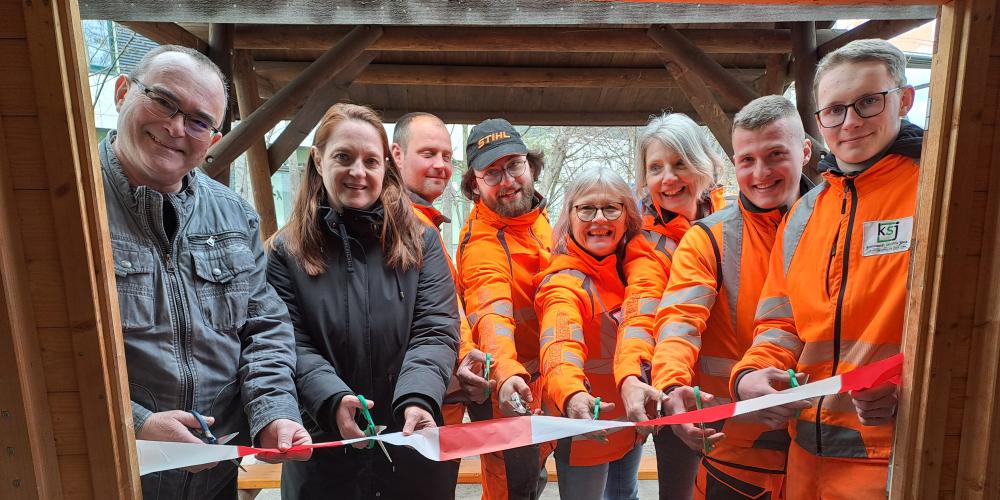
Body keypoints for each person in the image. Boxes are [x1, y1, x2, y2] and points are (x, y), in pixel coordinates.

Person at [101, 45, 309, 499]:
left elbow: (265, 327)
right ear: (122, 93)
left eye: (198, 120)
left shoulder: (235, 215)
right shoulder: (67, 204)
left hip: (214, 479)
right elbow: (37, 349)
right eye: (163, 101)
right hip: (106, 470)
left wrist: (274, 413)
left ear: (212, 139)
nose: (175, 127)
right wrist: (134, 424)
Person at [731, 39, 921, 499]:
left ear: (904, 98)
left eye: (868, 102)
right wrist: (751, 376)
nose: (850, 122)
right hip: (806, 453)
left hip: (900, 454)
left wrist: (908, 389)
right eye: (834, 110)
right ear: (819, 122)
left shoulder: (937, 192)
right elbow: (780, 321)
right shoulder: (805, 213)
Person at [266, 103, 460, 499]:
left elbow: (435, 330)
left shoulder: (420, 242)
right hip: (324, 451)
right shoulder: (285, 251)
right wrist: (332, 399)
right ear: (318, 160)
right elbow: (287, 341)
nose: (358, 172)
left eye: (371, 160)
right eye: (343, 157)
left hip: (411, 447)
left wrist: (419, 397)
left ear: (385, 166)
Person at [652, 96, 815, 499]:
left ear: (806, 151)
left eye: (775, 155)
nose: (760, 173)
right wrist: (673, 388)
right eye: (747, 160)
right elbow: (678, 320)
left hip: (827, 443)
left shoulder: (839, 220)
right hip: (739, 448)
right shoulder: (709, 237)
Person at [613, 112, 726, 500]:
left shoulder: (739, 217)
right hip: (679, 394)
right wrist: (630, 375)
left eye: (680, 163)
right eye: (656, 167)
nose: (668, 178)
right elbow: (639, 311)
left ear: (704, 165)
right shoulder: (646, 242)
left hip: (744, 388)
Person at [536, 167, 665, 500]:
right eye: (586, 209)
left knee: (626, 494)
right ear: (570, 216)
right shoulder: (563, 281)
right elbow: (559, 341)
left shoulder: (634, 269)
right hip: (584, 424)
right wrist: (570, 393)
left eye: (611, 208)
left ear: (627, 217)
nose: (598, 219)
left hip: (630, 420)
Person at [456, 118, 554, 500]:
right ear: (474, 184)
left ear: (530, 166)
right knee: (511, 490)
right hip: (508, 390)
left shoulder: (541, 220)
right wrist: (509, 373)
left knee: (534, 481)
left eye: (514, 165)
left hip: (545, 383)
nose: (508, 180)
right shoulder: (481, 242)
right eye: (492, 173)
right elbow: (490, 312)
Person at [391, 112, 494, 412]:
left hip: (436, 388)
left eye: (447, 156)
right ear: (397, 154)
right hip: (419, 396)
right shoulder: (400, 223)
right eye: (428, 154)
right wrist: (465, 353)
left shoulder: (425, 220)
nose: (440, 165)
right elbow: (438, 308)